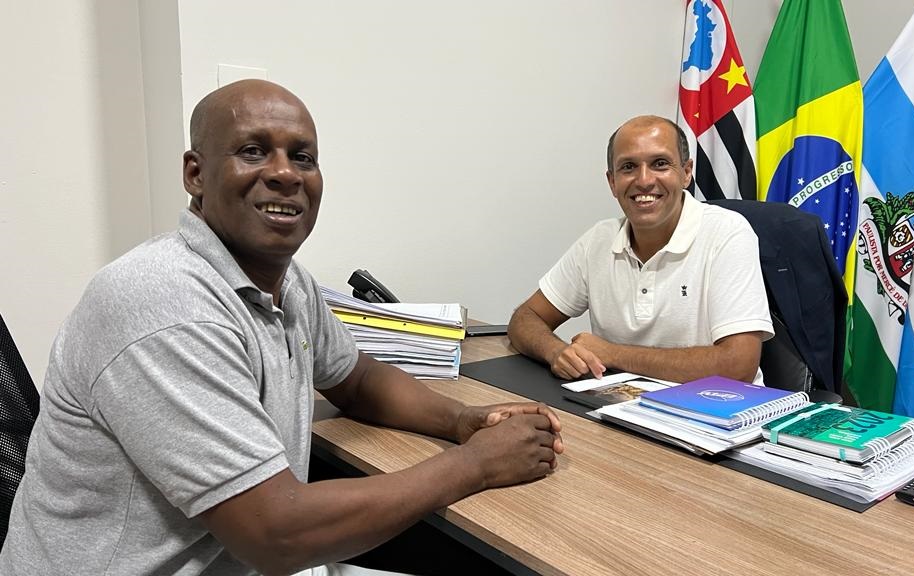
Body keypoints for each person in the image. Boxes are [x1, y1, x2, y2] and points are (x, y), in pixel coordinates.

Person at [0, 80, 563, 576]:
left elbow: (356, 379)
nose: (285, 174)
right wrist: (476, 464)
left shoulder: (287, 283)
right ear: (195, 174)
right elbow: (276, 535)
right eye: (253, 151)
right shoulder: (162, 302)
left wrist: (462, 421)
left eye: (303, 157)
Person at [508, 115, 773, 385]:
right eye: (628, 167)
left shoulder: (727, 233)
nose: (644, 180)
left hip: (717, 406)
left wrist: (611, 353)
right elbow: (525, 318)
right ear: (612, 182)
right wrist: (556, 352)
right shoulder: (598, 240)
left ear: (686, 172)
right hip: (618, 402)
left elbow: (738, 367)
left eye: (660, 163)